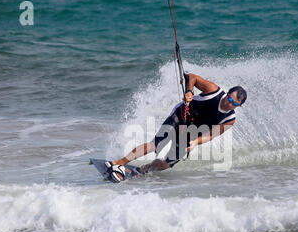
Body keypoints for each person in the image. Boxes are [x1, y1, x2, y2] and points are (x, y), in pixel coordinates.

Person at [105, 73, 247, 182]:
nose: (229, 104)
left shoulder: (230, 119)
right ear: (227, 94)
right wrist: (189, 91)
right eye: (229, 99)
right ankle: (118, 163)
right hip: (180, 116)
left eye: (234, 104)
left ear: (238, 106)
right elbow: (192, 77)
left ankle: (142, 170)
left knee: (167, 164)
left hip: (191, 133)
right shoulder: (213, 91)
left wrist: (196, 142)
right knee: (155, 145)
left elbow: (212, 135)